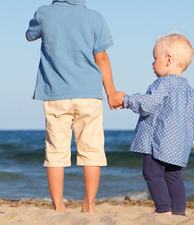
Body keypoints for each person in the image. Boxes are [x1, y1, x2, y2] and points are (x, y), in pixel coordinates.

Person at [25, 0, 124, 214]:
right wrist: (112, 93)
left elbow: (29, 35)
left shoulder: (44, 13)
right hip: (89, 95)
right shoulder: (95, 18)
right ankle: (89, 205)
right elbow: (102, 58)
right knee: (91, 151)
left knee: (55, 153)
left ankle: (58, 206)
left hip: (56, 95)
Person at [122, 33, 194, 216]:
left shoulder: (163, 83)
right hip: (179, 145)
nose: (152, 63)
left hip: (158, 142)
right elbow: (193, 119)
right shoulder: (188, 89)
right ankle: (179, 212)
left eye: (155, 58)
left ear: (168, 60)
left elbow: (148, 104)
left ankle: (163, 209)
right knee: (174, 177)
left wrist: (126, 100)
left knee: (152, 173)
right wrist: (187, 140)